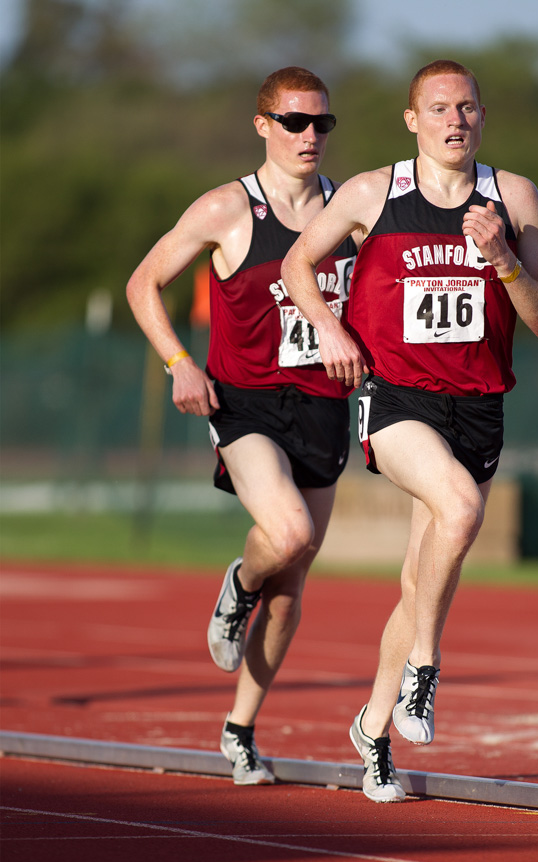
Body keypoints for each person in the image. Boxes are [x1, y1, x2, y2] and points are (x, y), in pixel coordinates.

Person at [281, 59, 538, 802]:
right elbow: (298, 263)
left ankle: (373, 730)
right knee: (460, 508)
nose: (454, 120)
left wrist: (501, 257)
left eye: (466, 107)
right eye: (438, 108)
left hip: (479, 401)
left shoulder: (514, 196)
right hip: (395, 396)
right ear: (413, 120)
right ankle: (424, 670)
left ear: (482, 115)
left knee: (421, 580)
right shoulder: (376, 192)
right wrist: (329, 331)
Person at [126, 67, 357, 786]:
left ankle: (240, 729)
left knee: (291, 585)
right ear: (263, 125)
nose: (310, 136)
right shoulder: (230, 208)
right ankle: (238, 582)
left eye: (322, 123)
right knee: (286, 535)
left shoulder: (349, 210)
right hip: (244, 403)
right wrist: (177, 363)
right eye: (295, 123)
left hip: (323, 406)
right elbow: (143, 283)